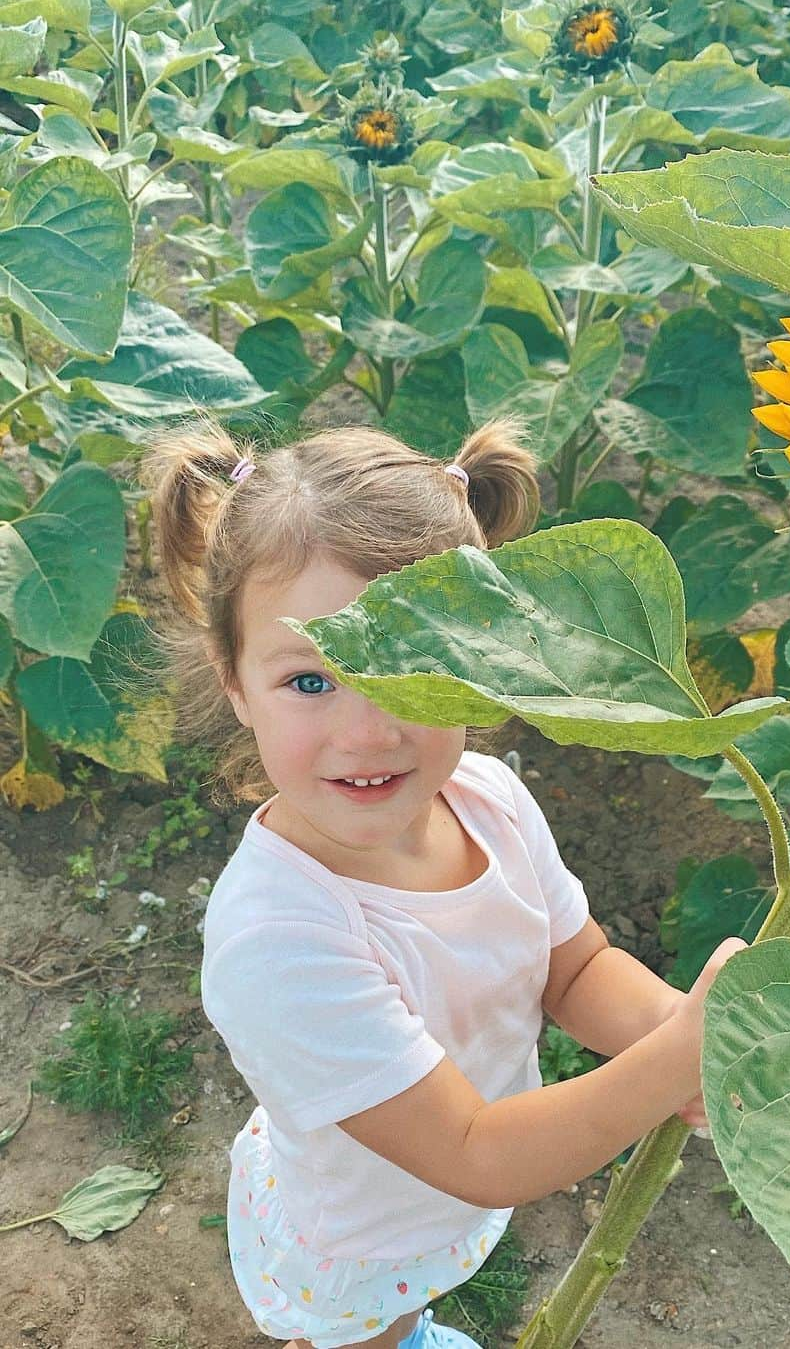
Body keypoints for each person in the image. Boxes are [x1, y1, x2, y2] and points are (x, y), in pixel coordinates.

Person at [139, 416, 746, 1349]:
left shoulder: (489, 799)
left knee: (406, 1312)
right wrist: (667, 1066)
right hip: (366, 1226)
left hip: (433, 1189)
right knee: (366, 1333)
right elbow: (476, 1153)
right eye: (311, 681)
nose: (370, 730)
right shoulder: (279, 940)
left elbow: (575, 970)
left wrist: (676, 1032)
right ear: (234, 682)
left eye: (417, 668)